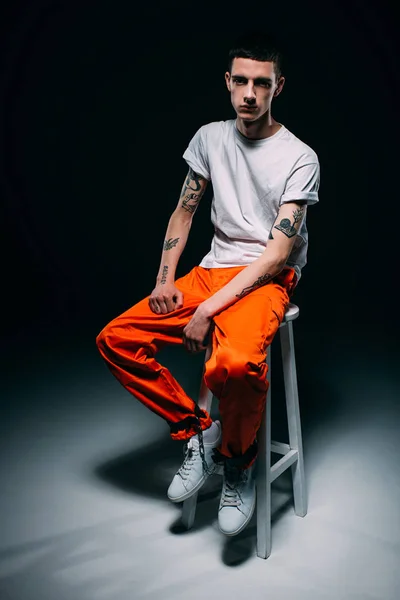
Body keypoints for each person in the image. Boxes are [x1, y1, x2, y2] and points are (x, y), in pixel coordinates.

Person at [96, 31, 320, 537]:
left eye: (260, 83)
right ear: (227, 81)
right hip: (209, 271)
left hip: (263, 279)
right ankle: (199, 431)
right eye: (240, 80)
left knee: (234, 363)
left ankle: (237, 463)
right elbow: (184, 210)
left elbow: (277, 253)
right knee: (117, 339)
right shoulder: (209, 137)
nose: (248, 93)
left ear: (277, 87)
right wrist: (165, 280)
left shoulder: (299, 156)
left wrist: (206, 311)